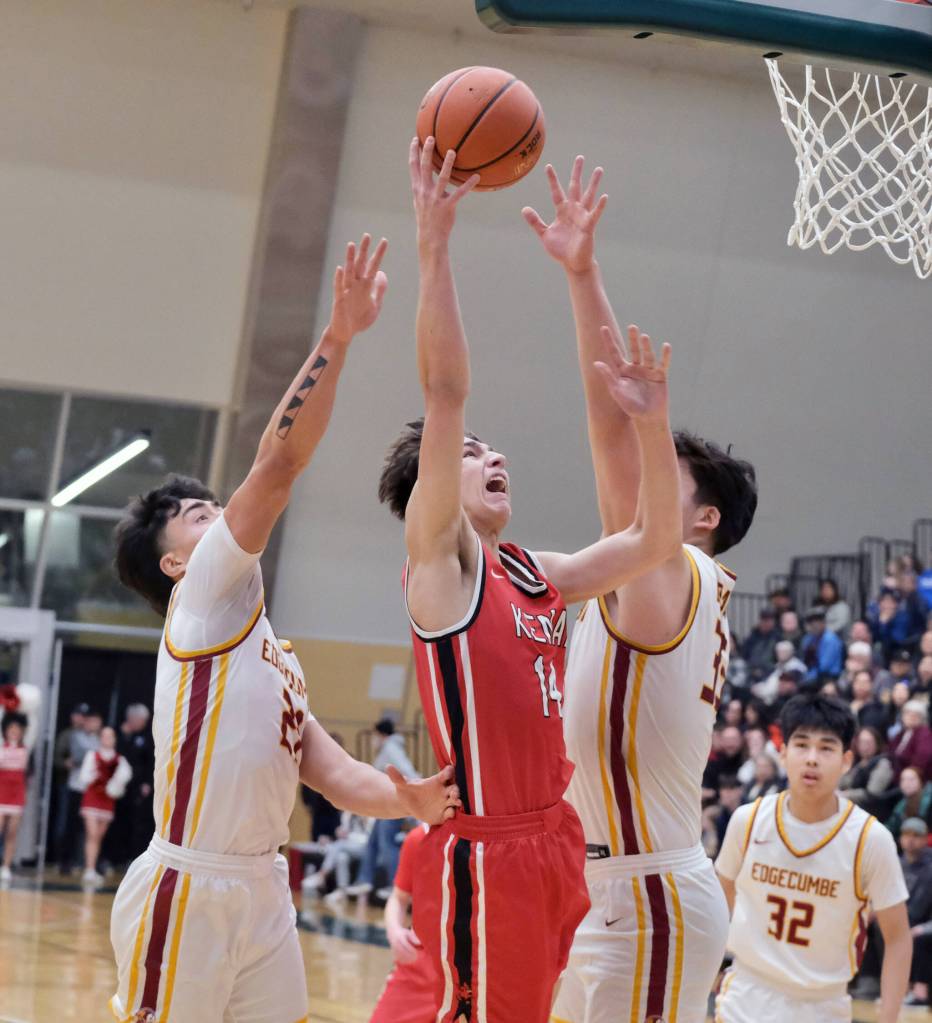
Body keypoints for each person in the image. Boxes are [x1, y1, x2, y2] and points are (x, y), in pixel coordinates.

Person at [108, 233, 460, 1023]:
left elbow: (337, 775)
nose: (220, 515)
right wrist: (337, 337)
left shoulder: (272, 657)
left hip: (264, 886)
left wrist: (414, 799)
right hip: (188, 884)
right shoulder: (201, 600)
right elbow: (277, 463)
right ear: (173, 566)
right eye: (199, 516)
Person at [379, 141, 684, 1023]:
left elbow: (653, 536)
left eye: (492, 449)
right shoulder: (440, 564)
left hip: (554, 838)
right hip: (489, 849)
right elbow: (444, 393)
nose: (493, 454)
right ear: (430, 492)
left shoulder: (535, 572)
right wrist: (434, 246)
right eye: (473, 457)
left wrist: (654, 426)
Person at [521, 156, 758, 1023]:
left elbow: (617, 448)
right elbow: (611, 431)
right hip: (603, 885)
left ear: (702, 520)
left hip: (645, 895)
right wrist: (580, 274)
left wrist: (587, 282)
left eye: (673, 477)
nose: (650, 481)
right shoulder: (646, 570)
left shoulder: (672, 573)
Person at [715, 694, 911, 1023]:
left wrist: (888, 1016)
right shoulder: (748, 820)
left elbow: (898, 936)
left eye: (826, 748)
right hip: (746, 996)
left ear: (846, 760)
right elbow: (719, 899)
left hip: (823, 1004)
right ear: (782, 753)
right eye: (802, 745)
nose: (812, 759)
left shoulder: (870, 840)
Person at [369, 822, 438, 1023]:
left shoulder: (490, 845)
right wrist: (395, 932)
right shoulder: (418, 838)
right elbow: (398, 898)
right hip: (419, 964)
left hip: (471, 970)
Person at [347, 718, 419, 900]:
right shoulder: (389, 749)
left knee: (387, 844)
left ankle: (396, 886)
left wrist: (414, 795)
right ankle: (365, 880)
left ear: (381, 734)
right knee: (372, 842)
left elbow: (407, 772)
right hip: (386, 803)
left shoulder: (391, 749)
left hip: (396, 803)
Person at [79, 725, 132, 888]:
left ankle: (91, 867)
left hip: (107, 802)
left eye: (111, 736)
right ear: (100, 738)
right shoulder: (92, 756)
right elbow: (84, 777)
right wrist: (97, 779)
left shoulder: (120, 760)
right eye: (104, 736)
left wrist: (114, 786)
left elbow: (123, 779)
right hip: (92, 799)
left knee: (98, 837)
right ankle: (89, 869)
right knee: (92, 834)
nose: (107, 739)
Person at [60, 707, 101, 875]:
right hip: (76, 786)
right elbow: (78, 756)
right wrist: (93, 756)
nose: (94, 724)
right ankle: (66, 861)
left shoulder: (100, 738)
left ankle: (86, 862)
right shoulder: (76, 736)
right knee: (71, 825)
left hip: (93, 790)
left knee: (91, 830)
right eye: (91, 720)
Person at [114, 703, 155, 865]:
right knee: (121, 822)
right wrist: (124, 737)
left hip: (140, 785)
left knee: (139, 822)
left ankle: (136, 856)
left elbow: (151, 762)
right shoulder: (124, 734)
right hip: (123, 785)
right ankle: (118, 857)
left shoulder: (149, 736)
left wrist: (147, 782)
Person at [900, 818, 932, 1007]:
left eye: (916, 836)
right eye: (906, 835)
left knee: (917, 937)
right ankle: (896, 987)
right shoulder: (898, 863)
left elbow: (919, 908)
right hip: (915, 920)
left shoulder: (929, 869)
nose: (910, 840)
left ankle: (919, 993)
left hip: (921, 922)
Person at [839, 727, 894, 817]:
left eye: (869, 742)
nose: (865, 746)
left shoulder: (883, 763)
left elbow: (872, 793)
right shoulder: (857, 762)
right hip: (851, 808)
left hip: (871, 811)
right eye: (862, 742)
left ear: (877, 743)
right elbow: (845, 781)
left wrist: (844, 795)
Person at [0, 711, 29, 884]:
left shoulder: (25, 748)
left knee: (12, 832)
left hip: (17, 792)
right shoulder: (1, 746)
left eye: (18, 729)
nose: (14, 731)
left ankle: (6, 866)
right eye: (11, 728)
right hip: (1, 791)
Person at [885, 766, 932, 840]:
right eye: (903, 780)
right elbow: (891, 825)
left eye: (911, 779)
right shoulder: (901, 804)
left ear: (921, 781)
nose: (906, 783)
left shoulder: (929, 800)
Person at [800, 607, 844, 684]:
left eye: (818, 622)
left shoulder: (831, 639)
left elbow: (824, 666)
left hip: (829, 677)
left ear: (823, 622)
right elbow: (804, 660)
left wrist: (808, 676)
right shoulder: (808, 638)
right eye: (811, 623)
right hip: (812, 675)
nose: (814, 625)